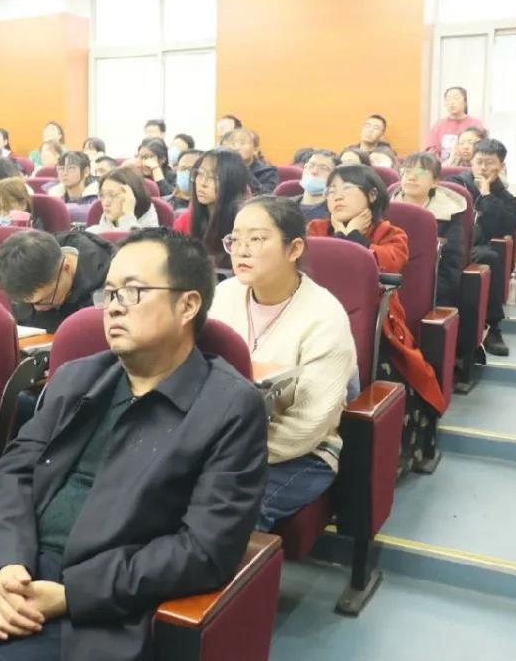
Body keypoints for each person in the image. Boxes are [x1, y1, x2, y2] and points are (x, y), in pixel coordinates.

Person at [0, 227, 268, 661]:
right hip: (22, 570)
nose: (113, 307)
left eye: (132, 292)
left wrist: (71, 593)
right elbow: (14, 470)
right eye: (110, 292)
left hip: (96, 607)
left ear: (187, 304)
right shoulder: (79, 377)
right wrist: (4, 567)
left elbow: (203, 550)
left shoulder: (229, 406)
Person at [209, 195, 355, 530]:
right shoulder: (224, 295)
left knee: (227, 517)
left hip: (299, 453)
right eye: (235, 239)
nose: (241, 250)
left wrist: (227, 452)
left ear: (294, 249)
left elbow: (309, 424)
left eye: (257, 239)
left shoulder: (324, 317)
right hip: (222, 442)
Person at [309, 165, 449, 468]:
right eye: (331, 191)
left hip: (378, 328)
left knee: (391, 376)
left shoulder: (392, 234)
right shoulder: (315, 230)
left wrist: (351, 236)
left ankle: (383, 461)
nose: (336, 197)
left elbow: (382, 264)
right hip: (316, 325)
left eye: (346, 189)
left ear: (372, 195)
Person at [446, 139, 516, 356]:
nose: (483, 168)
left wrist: (487, 194)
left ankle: (492, 327)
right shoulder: (456, 184)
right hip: (451, 244)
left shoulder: (506, 198)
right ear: (471, 162)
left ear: (501, 166)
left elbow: (503, 227)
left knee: (490, 257)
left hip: (478, 248)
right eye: (479, 162)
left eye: (490, 163)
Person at [0, 229, 113, 333]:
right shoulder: (22, 278)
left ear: (66, 267)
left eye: (45, 299)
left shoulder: (109, 283)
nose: (38, 308)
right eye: (26, 302)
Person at [391, 153, 466, 312]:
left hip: (431, 291)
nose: (412, 177)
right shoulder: (384, 210)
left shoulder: (448, 214)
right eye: (407, 171)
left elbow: (451, 266)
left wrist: (427, 294)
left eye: (421, 172)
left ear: (435, 182)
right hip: (386, 286)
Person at [175, 149, 253, 271]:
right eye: (200, 174)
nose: (203, 183)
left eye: (213, 177)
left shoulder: (247, 223)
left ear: (231, 181)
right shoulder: (185, 220)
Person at [88, 168, 158, 233]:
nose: (105, 203)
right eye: (102, 195)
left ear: (132, 197)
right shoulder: (92, 233)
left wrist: (127, 217)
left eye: (112, 195)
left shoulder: (152, 235)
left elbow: (131, 240)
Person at [426, 87, 484, 162]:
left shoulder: (476, 124)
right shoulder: (438, 125)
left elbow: (482, 149)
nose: (452, 102)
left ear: (465, 102)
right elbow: (431, 151)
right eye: (448, 99)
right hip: (443, 167)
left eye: (456, 98)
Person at [221, 128, 277, 194]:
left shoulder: (268, 172)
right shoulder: (220, 169)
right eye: (232, 144)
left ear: (255, 150)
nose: (236, 148)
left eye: (242, 143)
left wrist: (243, 167)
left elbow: (266, 196)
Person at [294, 149, 340, 222]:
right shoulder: (285, 205)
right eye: (310, 166)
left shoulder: (335, 213)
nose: (314, 171)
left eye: (323, 168)